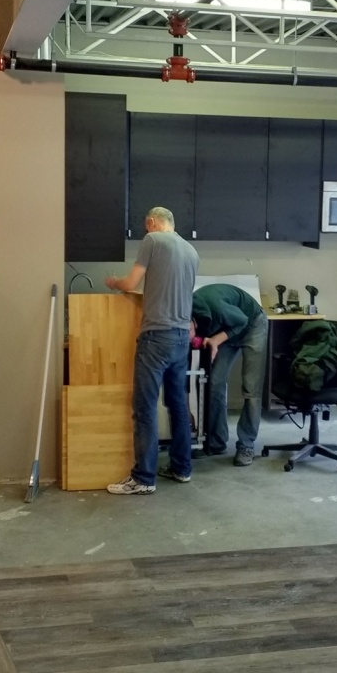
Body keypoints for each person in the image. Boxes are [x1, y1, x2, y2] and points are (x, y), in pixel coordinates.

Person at [104, 206, 199, 495]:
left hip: (155, 336)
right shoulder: (191, 251)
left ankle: (143, 478)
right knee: (178, 406)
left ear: (151, 222)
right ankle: (182, 469)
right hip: (181, 337)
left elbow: (132, 283)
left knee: (144, 408)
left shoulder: (153, 241)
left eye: (147, 226)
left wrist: (114, 283)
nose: (146, 231)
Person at [190, 283, 268, 466]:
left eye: (189, 334)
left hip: (252, 324)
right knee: (214, 383)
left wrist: (216, 339)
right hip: (227, 328)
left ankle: (246, 444)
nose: (191, 340)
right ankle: (216, 443)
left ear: (191, 322)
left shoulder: (215, 307)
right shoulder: (189, 317)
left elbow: (242, 321)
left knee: (251, 387)